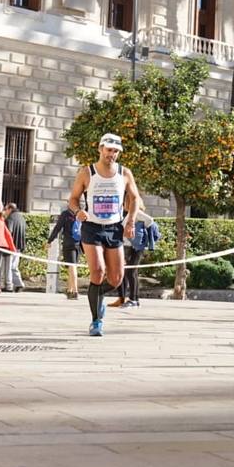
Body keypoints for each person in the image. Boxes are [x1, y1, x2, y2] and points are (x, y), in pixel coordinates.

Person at [69, 132, 142, 336]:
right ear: (100, 149)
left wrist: (131, 221)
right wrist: (78, 212)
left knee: (117, 278)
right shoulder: (87, 172)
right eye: (109, 150)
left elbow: (135, 198)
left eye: (116, 151)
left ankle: (98, 294)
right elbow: (73, 199)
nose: (112, 154)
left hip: (114, 228)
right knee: (98, 271)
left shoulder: (124, 173)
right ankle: (96, 321)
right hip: (91, 227)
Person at [112, 205, 154, 308]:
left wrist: (139, 232)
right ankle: (122, 298)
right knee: (126, 271)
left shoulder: (136, 212)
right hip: (126, 245)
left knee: (132, 272)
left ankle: (134, 299)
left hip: (136, 246)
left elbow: (150, 221)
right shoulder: (127, 213)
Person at [48, 206, 81, 299]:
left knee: (72, 267)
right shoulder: (80, 213)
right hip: (78, 244)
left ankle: (75, 291)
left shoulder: (65, 214)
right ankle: (69, 290)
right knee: (72, 268)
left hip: (68, 244)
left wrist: (49, 241)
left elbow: (57, 228)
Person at [2, 203, 26, 292]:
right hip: (19, 245)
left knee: (8, 267)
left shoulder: (10, 218)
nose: (5, 211)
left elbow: (9, 232)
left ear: (10, 209)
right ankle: (18, 284)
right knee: (14, 266)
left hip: (10, 246)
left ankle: (9, 286)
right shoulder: (21, 218)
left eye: (6, 209)